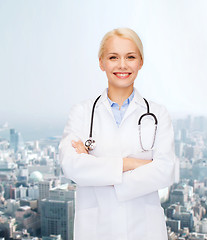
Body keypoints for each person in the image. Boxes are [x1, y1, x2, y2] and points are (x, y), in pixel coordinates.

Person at [59, 27, 178, 240]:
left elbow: (166, 171)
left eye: (130, 57)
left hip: (145, 230)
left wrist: (96, 170)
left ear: (141, 62)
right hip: (95, 231)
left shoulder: (158, 114)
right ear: (101, 62)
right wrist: (132, 163)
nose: (122, 65)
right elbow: (71, 166)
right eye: (113, 57)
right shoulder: (82, 112)